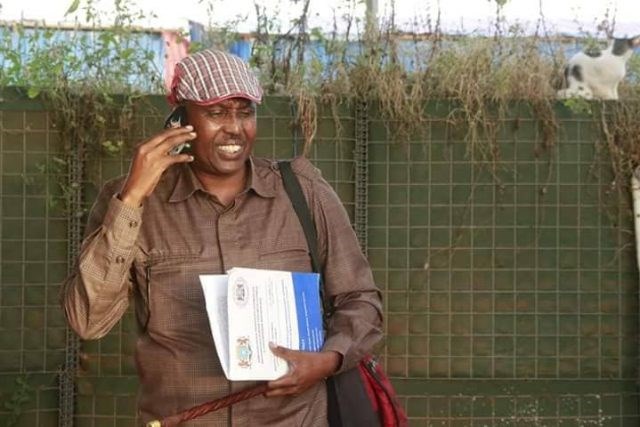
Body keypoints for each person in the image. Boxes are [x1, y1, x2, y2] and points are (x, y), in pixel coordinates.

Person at [61, 49, 383, 426]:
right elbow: (88, 320)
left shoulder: (302, 192)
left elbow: (361, 300)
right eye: (216, 112)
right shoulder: (132, 202)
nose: (234, 128)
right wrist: (132, 200)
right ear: (181, 120)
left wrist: (327, 361)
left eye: (245, 112)